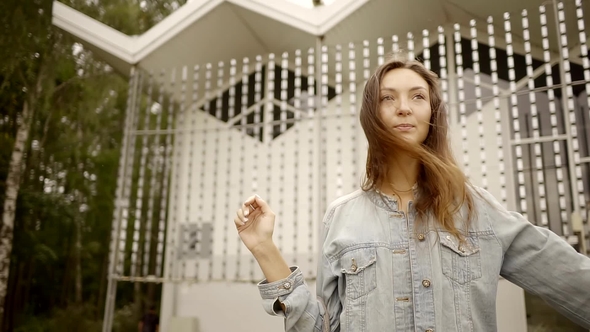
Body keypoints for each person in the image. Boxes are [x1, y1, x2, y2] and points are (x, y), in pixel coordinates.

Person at [233, 55, 590, 331]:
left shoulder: (477, 209)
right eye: (388, 98)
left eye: (417, 96)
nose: (403, 107)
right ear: (372, 115)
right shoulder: (341, 217)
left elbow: (573, 280)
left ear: (432, 112)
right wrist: (265, 248)